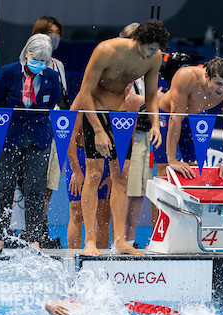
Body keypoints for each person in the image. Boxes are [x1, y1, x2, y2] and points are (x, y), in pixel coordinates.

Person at [69, 20, 168, 256]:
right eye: (151, 48)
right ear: (138, 42)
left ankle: (121, 241)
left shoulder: (153, 58)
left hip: (122, 116)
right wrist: (98, 129)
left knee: (121, 177)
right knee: (93, 175)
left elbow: (152, 94)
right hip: (97, 111)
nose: (154, 54)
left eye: (157, 50)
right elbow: (85, 92)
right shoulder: (106, 50)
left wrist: (155, 124)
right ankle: (90, 242)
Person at [0, 34, 61, 251]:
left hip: (38, 140)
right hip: (10, 137)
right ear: (27, 53)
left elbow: (51, 105)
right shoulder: (8, 73)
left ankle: (33, 239)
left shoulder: (51, 78)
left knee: (36, 189)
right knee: (4, 188)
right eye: (36, 58)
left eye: (44, 60)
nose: (39, 63)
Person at [157, 56, 223, 179]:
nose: (222, 89)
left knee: (194, 169)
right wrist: (173, 159)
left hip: (195, 117)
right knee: (165, 170)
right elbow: (175, 118)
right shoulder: (186, 77)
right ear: (207, 76)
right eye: (218, 84)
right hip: (168, 115)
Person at [119, 22, 164, 246]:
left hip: (143, 136)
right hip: (123, 139)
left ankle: (130, 238)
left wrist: (146, 104)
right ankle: (119, 239)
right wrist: (145, 102)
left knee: (138, 193)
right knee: (121, 190)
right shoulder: (120, 67)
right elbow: (128, 103)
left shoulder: (146, 70)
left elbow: (151, 99)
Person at [32, 16, 69, 248]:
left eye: (57, 32)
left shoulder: (59, 65)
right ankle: (33, 230)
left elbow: (63, 99)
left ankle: (40, 228)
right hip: (35, 131)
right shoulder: (29, 63)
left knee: (50, 183)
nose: (54, 36)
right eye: (49, 32)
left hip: (56, 130)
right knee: (33, 183)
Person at [65, 131, 111, 249]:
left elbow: (120, 136)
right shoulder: (79, 111)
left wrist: (114, 173)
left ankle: (100, 262)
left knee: (104, 214)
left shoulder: (111, 110)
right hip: (80, 157)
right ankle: (73, 259)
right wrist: (76, 170)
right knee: (76, 211)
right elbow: (71, 137)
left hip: (106, 157)